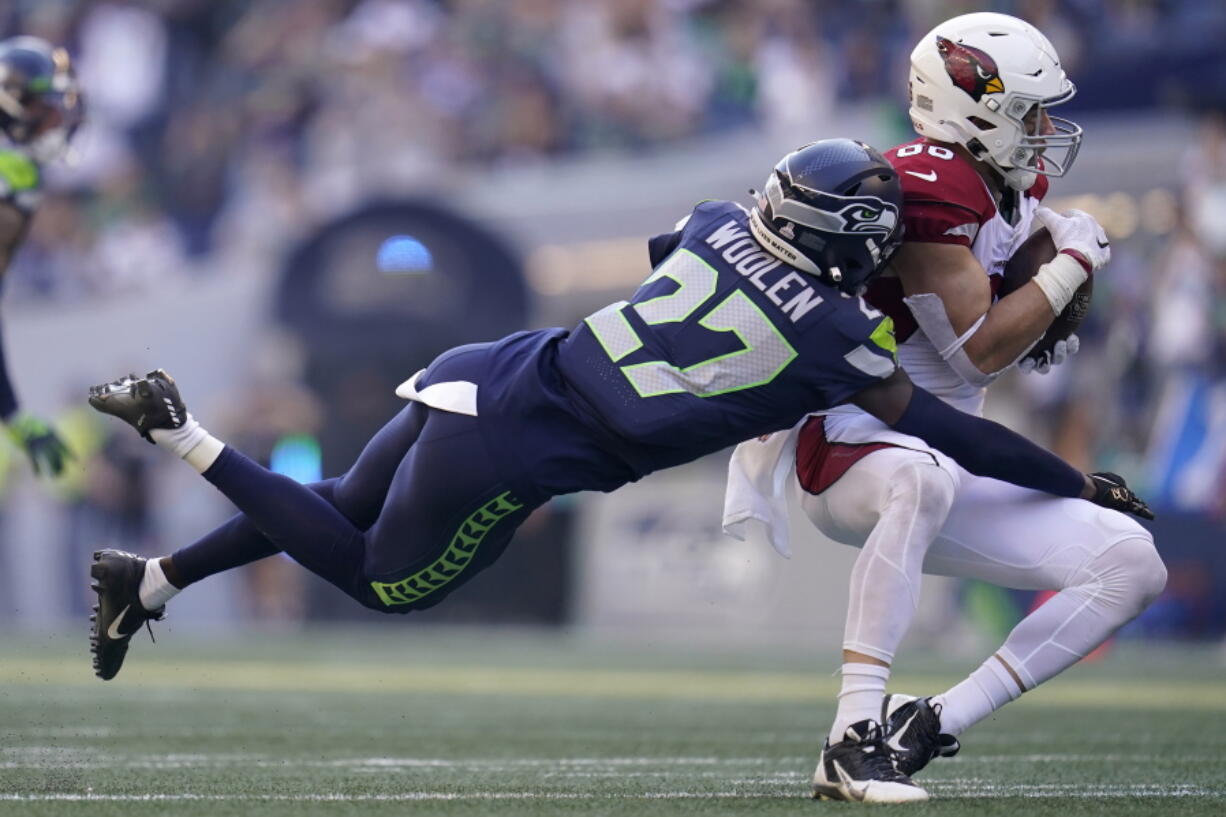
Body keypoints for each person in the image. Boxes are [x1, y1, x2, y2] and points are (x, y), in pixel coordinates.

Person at [87, 141, 1149, 801]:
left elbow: (670, 261)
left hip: (493, 363)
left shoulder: (716, 221)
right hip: (517, 448)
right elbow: (956, 433)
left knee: (344, 500)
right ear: (841, 249)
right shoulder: (836, 336)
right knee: (379, 575)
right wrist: (1074, 481)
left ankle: (150, 581)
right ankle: (185, 434)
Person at [722, 12, 1165, 804]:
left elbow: (1002, 342)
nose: (1043, 130)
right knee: (916, 479)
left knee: (1130, 564)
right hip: (851, 440)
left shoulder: (1007, 183)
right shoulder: (931, 184)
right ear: (975, 106)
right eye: (1028, 111)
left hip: (948, 445)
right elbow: (979, 350)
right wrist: (1066, 262)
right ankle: (850, 735)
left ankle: (924, 722)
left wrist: (1045, 266)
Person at [0, 35, 82, 476]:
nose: (57, 121)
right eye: (47, 110)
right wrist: (12, 414)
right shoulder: (14, 177)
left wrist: (12, 414)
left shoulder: (20, 172)